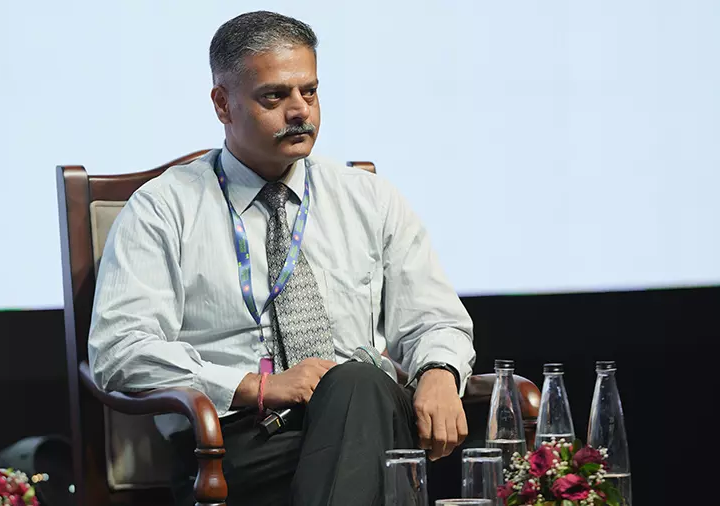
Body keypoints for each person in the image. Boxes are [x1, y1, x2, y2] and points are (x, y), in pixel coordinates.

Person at [88, 10, 476, 506]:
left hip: (369, 418)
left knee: (358, 384)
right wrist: (257, 386)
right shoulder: (164, 208)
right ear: (222, 104)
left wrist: (440, 371)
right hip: (240, 442)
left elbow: (435, 320)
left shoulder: (369, 198)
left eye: (309, 92)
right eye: (274, 96)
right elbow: (120, 349)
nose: (299, 111)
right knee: (362, 400)